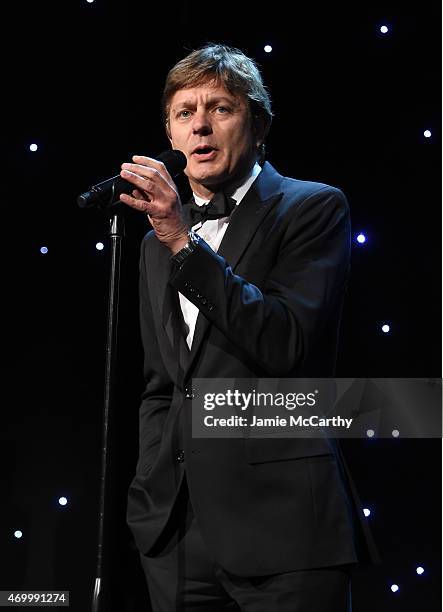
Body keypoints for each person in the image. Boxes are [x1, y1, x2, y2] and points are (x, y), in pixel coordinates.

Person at [122, 43, 377, 611]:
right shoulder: (154, 243)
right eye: (184, 112)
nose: (201, 126)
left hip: (283, 527)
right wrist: (150, 486)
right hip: (177, 537)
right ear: (170, 132)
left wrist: (184, 245)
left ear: (258, 124)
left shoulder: (310, 207)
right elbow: (162, 383)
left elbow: (284, 340)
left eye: (220, 108)